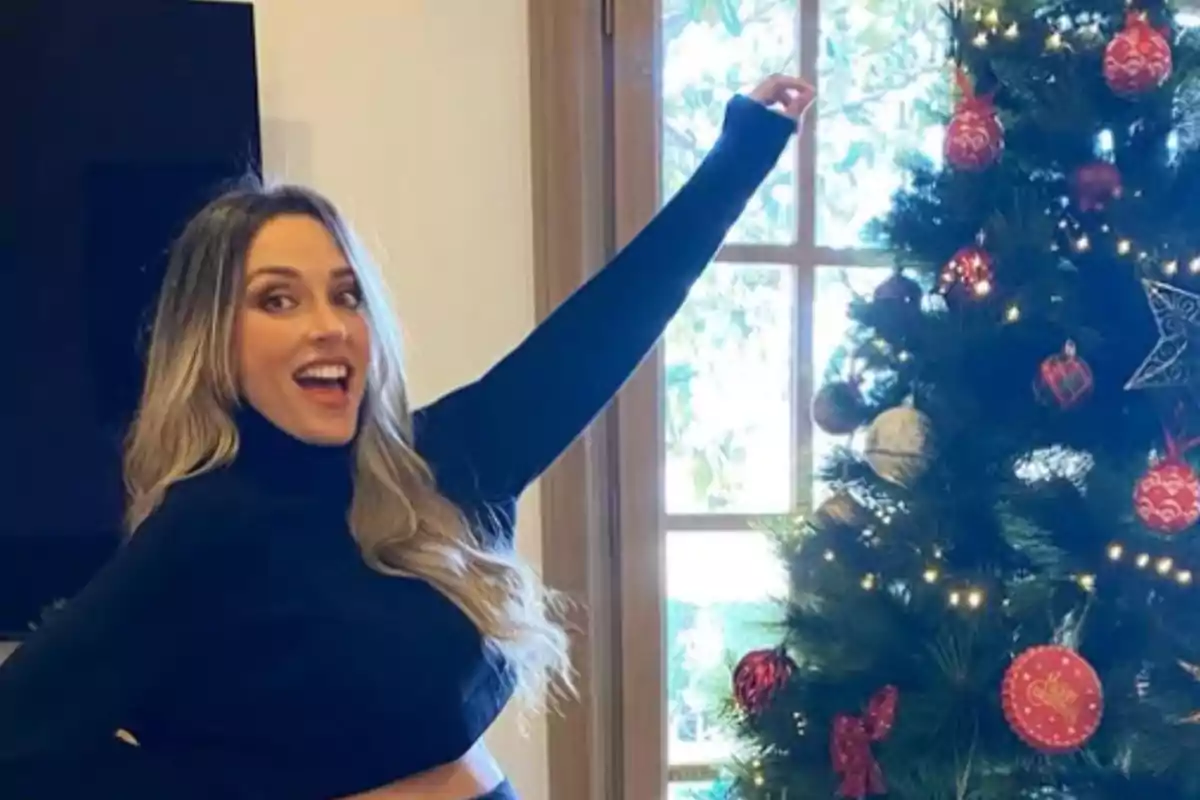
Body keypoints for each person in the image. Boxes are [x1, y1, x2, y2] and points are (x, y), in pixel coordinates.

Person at [0, 75, 813, 799]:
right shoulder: (203, 530)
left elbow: (602, 333)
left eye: (345, 296)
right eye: (278, 301)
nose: (328, 327)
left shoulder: (436, 464)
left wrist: (740, 156)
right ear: (213, 338)